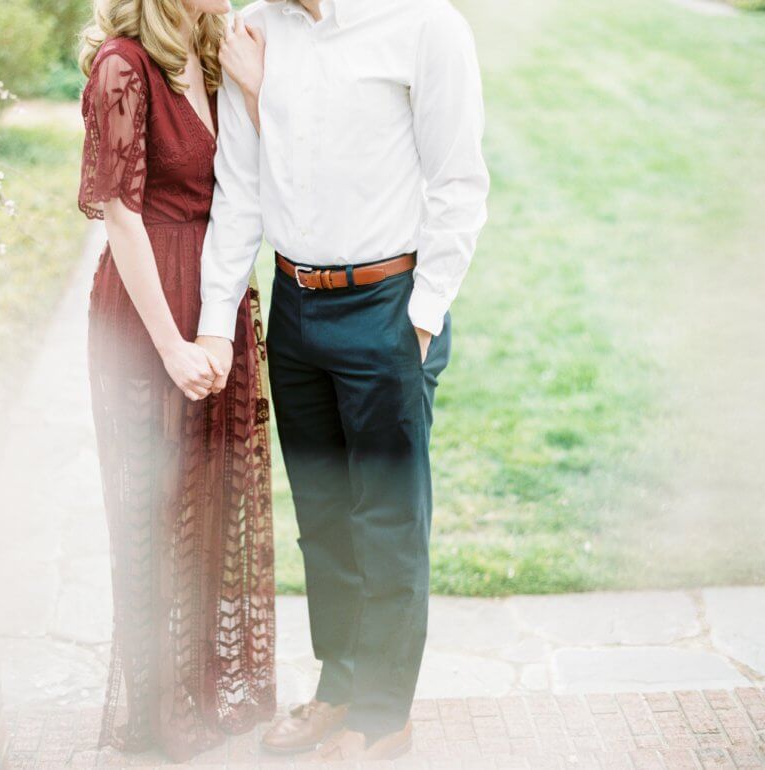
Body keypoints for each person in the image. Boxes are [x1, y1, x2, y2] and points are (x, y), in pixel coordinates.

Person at [197, 0, 490, 761]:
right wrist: (212, 321)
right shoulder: (258, 34)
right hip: (297, 311)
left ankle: (385, 712)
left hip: (389, 308)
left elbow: (458, 182)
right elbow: (241, 190)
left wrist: (419, 324)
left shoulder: (425, 26)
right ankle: (339, 684)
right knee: (324, 517)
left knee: (388, 519)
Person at [76, 0, 275, 761]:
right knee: (153, 510)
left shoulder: (218, 52)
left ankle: (202, 687)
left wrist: (256, 88)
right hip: (147, 310)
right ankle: (158, 712)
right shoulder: (124, 66)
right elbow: (119, 216)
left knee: (212, 498)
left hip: (217, 294)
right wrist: (170, 345)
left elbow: (261, 171)